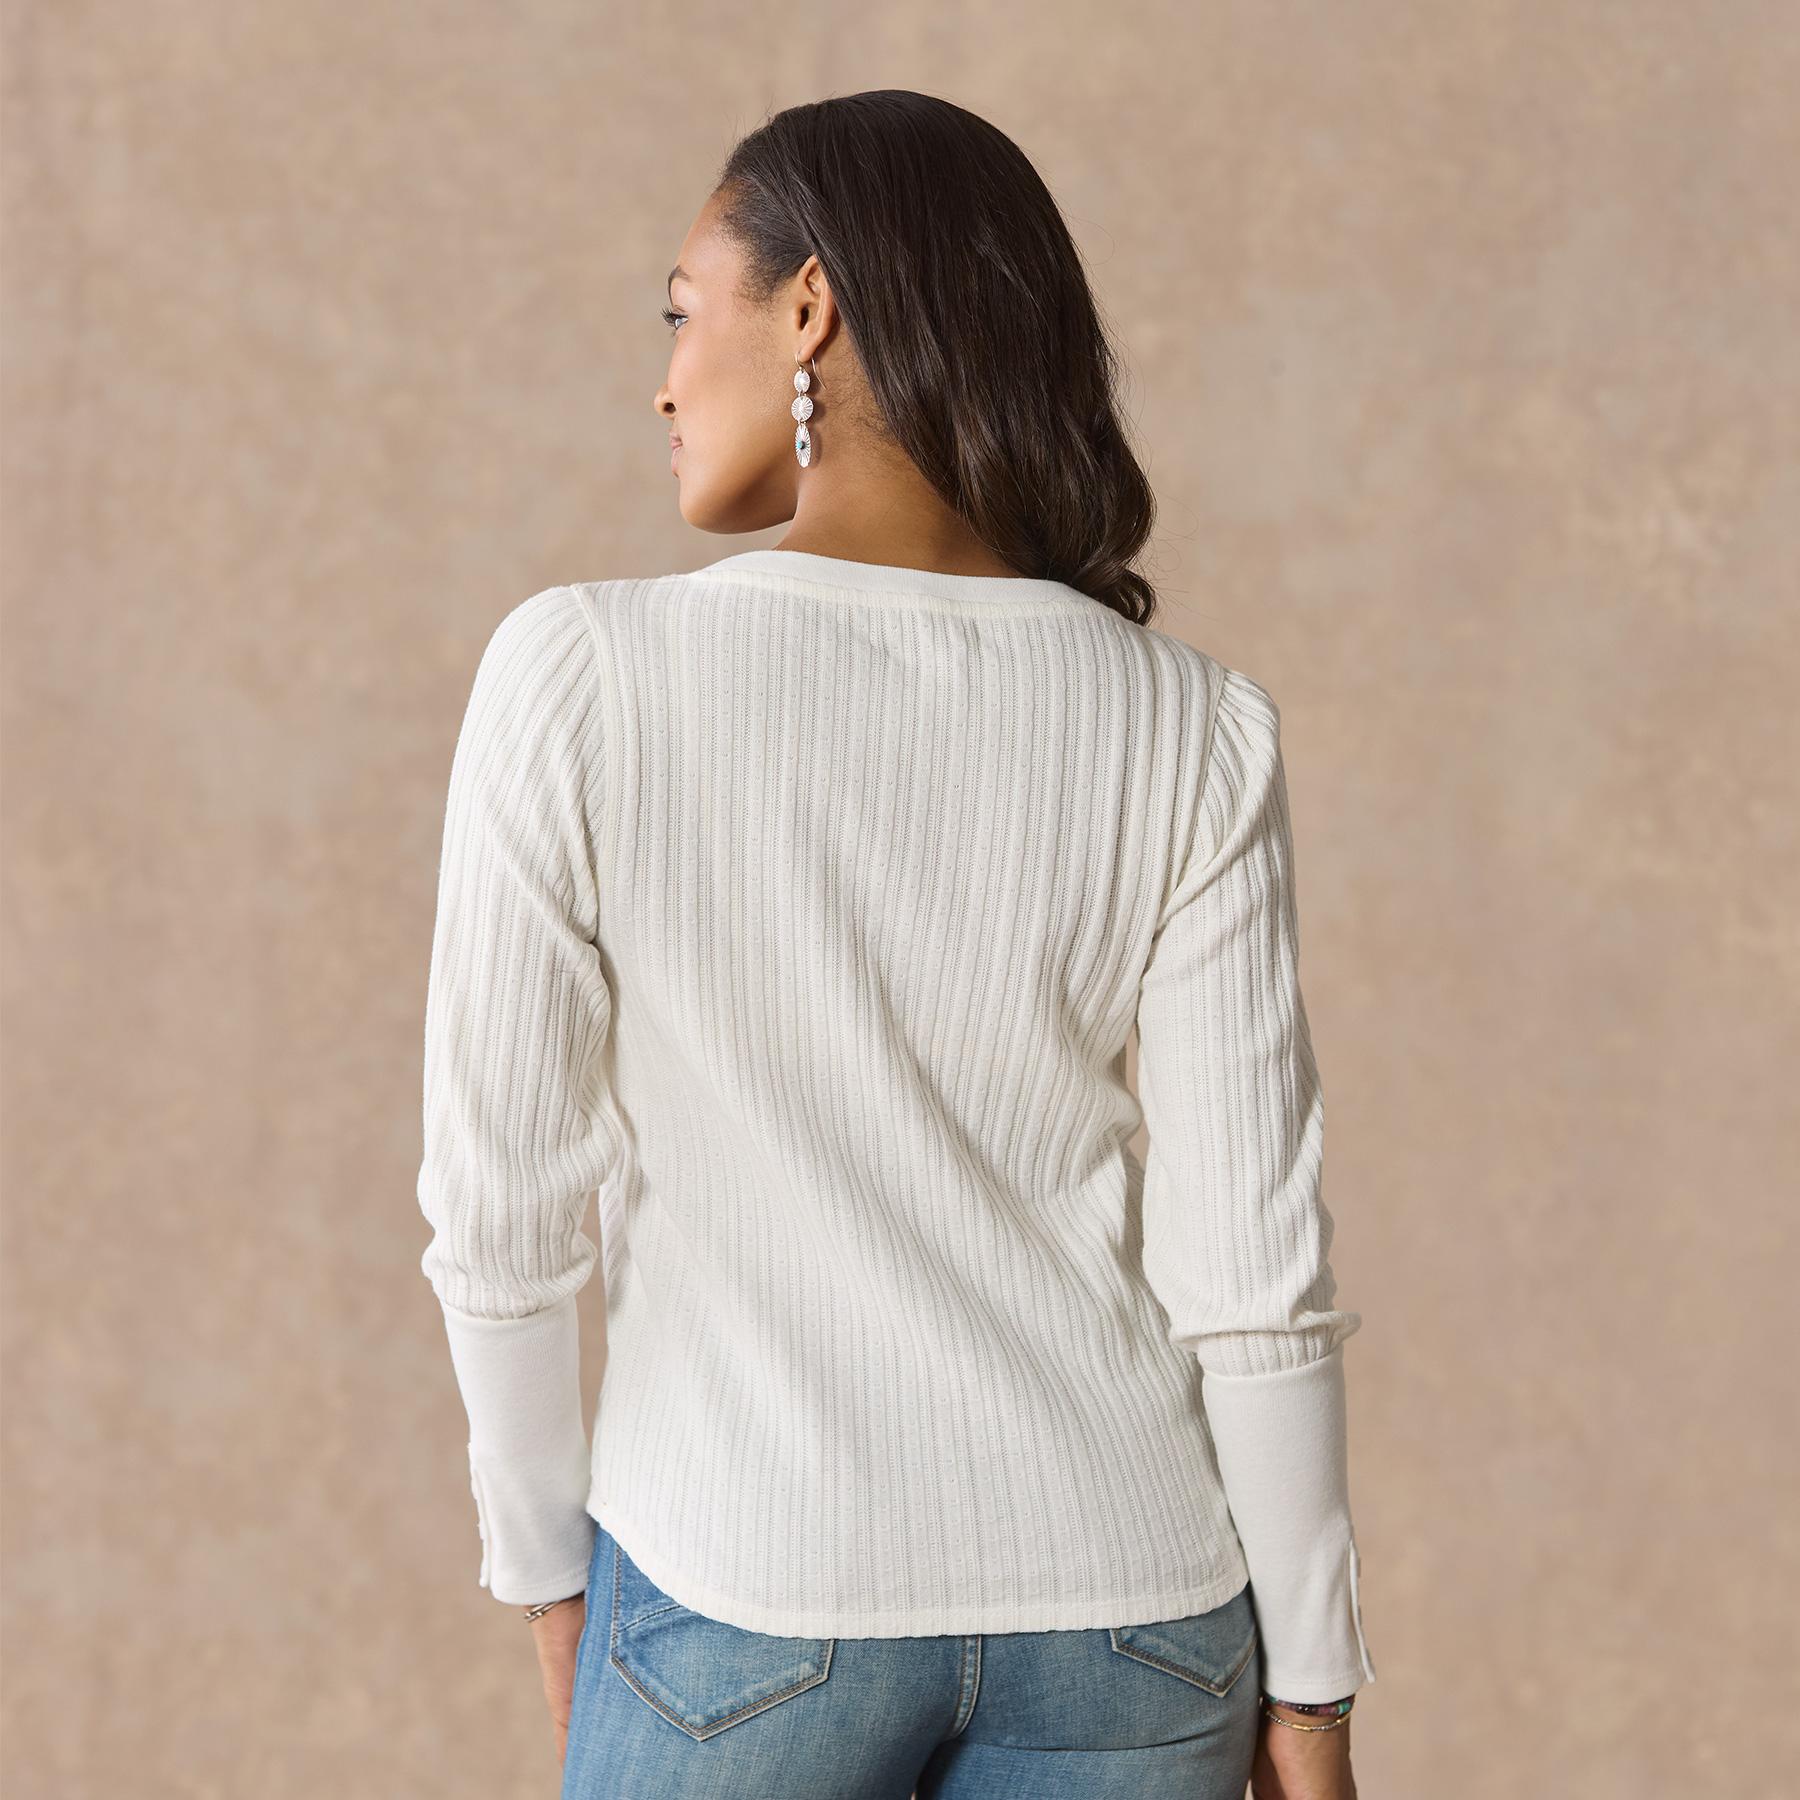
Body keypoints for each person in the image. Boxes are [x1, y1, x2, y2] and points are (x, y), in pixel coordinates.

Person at [416, 89, 1376, 1800]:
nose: (662, 382)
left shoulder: (583, 674)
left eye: (680, 311)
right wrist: (1310, 1687)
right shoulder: (1193, 723)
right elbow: (1254, 1267)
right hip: (1140, 1625)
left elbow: (502, 1212)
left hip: (745, 1588)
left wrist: (548, 1572)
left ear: (809, 307)